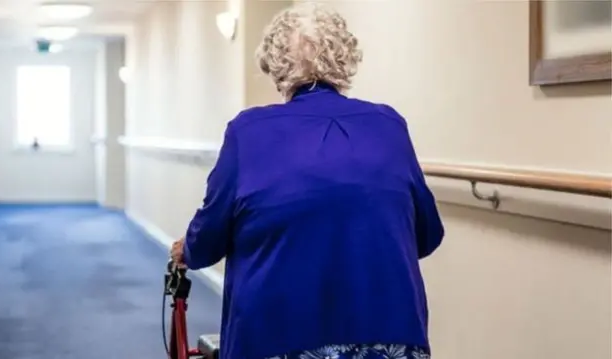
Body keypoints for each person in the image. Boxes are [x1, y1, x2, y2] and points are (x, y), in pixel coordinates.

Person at [170, 3, 444, 359]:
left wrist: (186, 250)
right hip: (390, 335)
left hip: (277, 337)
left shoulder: (248, 131)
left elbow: (208, 239)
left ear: (274, 63)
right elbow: (427, 234)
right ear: (345, 57)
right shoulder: (389, 125)